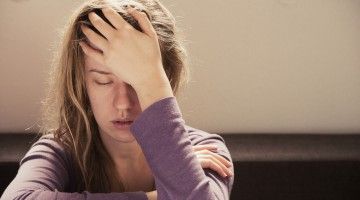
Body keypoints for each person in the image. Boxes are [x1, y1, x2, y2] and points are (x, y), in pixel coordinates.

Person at [1, 0, 234, 199]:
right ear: (82, 84)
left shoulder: (206, 149)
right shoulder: (62, 150)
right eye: (103, 81)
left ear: (166, 80)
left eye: (137, 83)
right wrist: (156, 196)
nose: (123, 103)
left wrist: (152, 79)